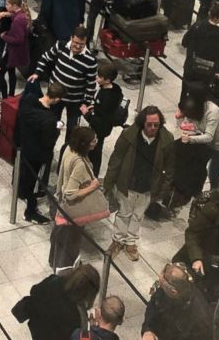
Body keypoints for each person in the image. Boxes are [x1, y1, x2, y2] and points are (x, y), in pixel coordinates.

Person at [105, 106, 175, 263]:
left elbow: (169, 167)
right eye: (149, 124)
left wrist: (163, 190)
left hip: (148, 187)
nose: (153, 128)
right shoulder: (129, 135)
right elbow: (116, 159)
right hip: (127, 183)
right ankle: (117, 240)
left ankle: (130, 243)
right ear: (142, 122)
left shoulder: (166, 140)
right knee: (123, 214)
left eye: (156, 125)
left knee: (137, 216)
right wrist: (109, 183)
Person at [49, 126, 103, 270]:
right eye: (93, 140)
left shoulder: (68, 148)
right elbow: (71, 193)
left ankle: (54, 262)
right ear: (84, 144)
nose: (96, 142)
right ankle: (66, 268)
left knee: (59, 236)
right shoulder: (79, 163)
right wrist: (93, 186)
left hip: (61, 205)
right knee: (70, 241)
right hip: (73, 209)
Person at [30, 26, 97, 136]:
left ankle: (66, 151)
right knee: (52, 124)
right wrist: (37, 73)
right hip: (55, 96)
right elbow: (46, 57)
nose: (78, 46)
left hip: (75, 100)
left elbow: (91, 84)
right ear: (71, 38)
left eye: (82, 44)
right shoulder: (61, 45)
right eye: (76, 42)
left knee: (72, 129)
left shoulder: (91, 60)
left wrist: (86, 102)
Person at [15, 81, 67, 224]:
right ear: (57, 99)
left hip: (23, 145)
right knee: (33, 182)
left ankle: (20, 192)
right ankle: (30, 212)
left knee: (23, 173)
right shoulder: (49, 119)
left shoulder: (27, 100)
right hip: (37, 154)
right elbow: (48, 142)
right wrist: (57, 129)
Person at [82, 62, 126, 176]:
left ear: (107, 80)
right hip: (101, 123)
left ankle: (93, 175)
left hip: (101, 128)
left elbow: (102, 119)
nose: (96, 78)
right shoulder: (114, 89)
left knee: (95, 151)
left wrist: (86, 114)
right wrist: (95, 107)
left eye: (99, 77)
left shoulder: (108, 98)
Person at [182, 0, 219, 80]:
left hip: (191, 69)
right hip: (209, 73)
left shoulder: (196, 26)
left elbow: (184, 42)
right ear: (218, 18)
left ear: (209, 13)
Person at [0, 0, 32, 97]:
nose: (6, 6)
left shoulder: (17, 20)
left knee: (0, 72)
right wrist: (5, 14)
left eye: (7, 4)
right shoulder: (21, 15)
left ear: (15, 6)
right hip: (15, 51)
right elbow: (13, 15)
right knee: (11, 72)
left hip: (14, 51)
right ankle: (11, 95)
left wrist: (4, 36)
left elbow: (18, 39)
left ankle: (5, 97)